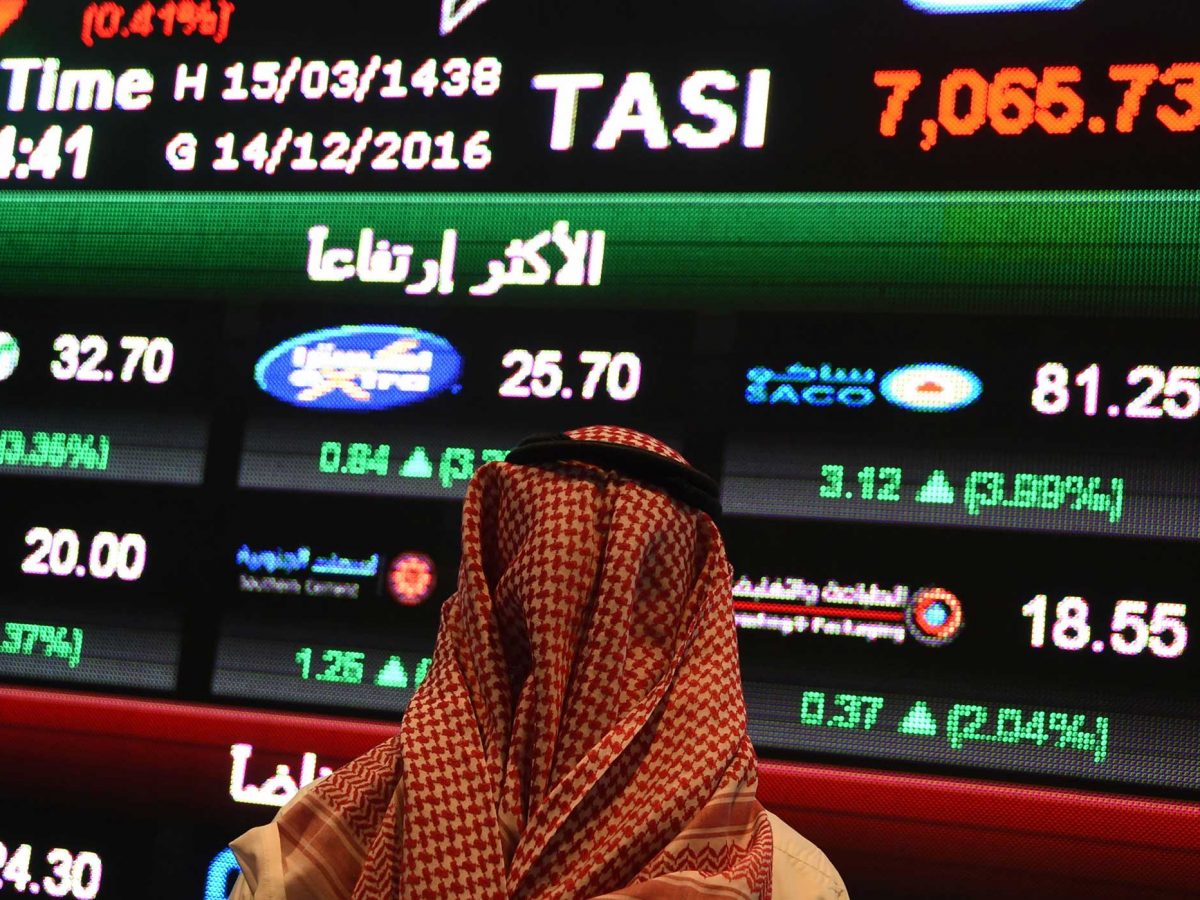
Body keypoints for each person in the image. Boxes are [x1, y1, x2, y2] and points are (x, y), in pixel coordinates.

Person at [229, 426, 847, 899]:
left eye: (625, 609)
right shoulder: (790, 881)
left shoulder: (311, 848)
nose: (578, 647)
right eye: (553, 591)